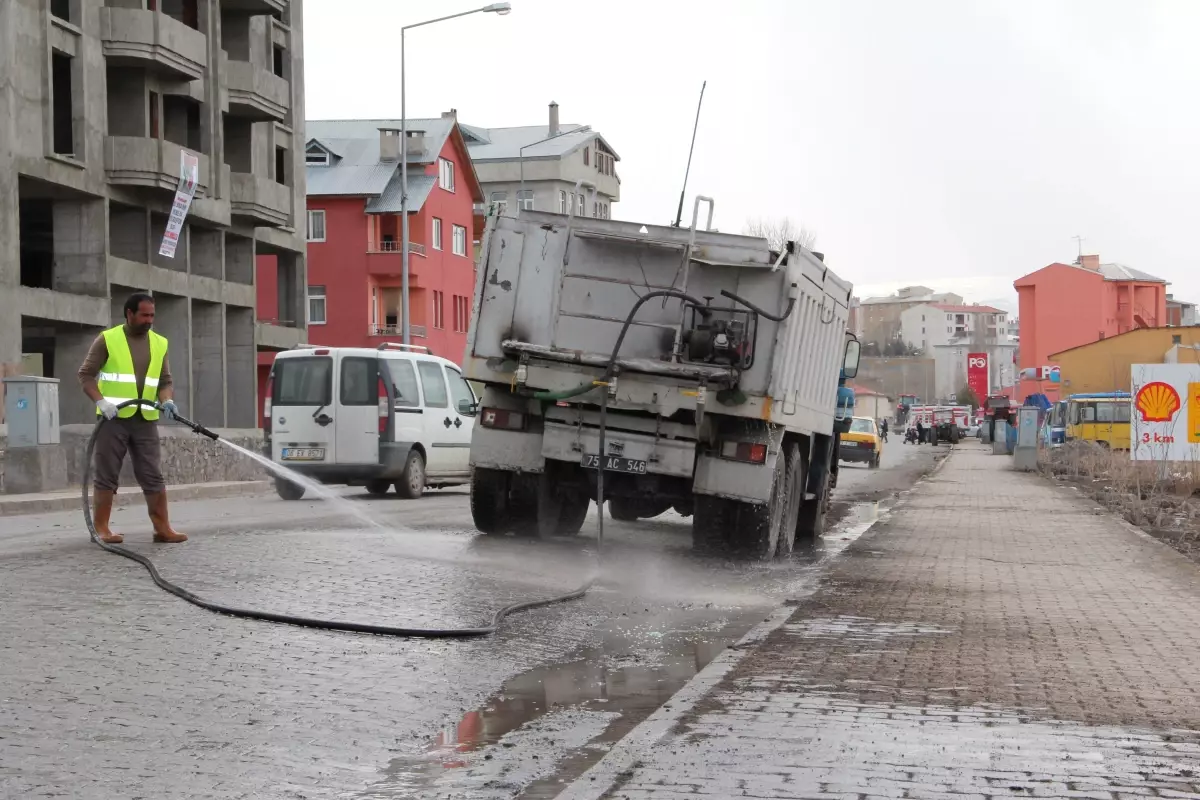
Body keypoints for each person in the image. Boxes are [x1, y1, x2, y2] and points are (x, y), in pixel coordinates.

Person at [78, 293, 187, 545]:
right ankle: (102, 529)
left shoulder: (160, 343)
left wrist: (167, 400)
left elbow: (164, 381)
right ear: (129, 314)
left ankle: (163, 528)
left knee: (152, 473)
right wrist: (100, 401)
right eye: (144, 315)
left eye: (152, 315)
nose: (149, 320)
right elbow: (85, 375)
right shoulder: (108, 339)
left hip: (145, 418)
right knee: (107, 473)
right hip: (112, 418)